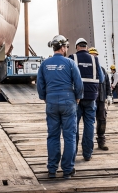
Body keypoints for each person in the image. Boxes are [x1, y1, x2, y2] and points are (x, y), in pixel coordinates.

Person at [37, 35, 83, 180]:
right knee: (69, 137)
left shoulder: (45, 64)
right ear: (63, 47)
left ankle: (52, 170)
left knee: (53, 136)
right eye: (66, 47)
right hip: (68, 101)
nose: (66, 49)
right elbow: (79, 83)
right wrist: (77, 97)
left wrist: (45, 97)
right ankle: (67, 170)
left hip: (51, 102)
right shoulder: (70, 63)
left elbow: (40, 84)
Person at [70, 38, 104, 161]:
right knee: (89, 124)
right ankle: (87, 154)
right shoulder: (95, 59)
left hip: (76, 98)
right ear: (86, 46)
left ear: (77, 46)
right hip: (91, 97)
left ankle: (72, 153)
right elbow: (102, 78)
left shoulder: (73, 58)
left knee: (74, 125)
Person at [89, 47, 112, 150]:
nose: (94, 57)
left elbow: (107, 83)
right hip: (89, 100)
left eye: (95, 55)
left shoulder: (102, 70)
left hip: (100, 99)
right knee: (88, 122)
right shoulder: (86, 69)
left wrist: (109, 95)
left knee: (102, 120)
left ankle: (101, 141)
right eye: (91, 55)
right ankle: (88, 143)